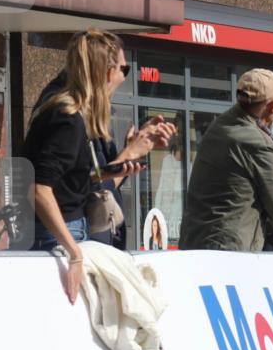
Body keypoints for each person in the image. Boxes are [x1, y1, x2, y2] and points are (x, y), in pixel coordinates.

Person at [21, 29, 175, 304]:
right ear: (106, 73)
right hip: (60, 235)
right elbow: (39, 189)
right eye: (123, 69)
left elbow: (67, 180)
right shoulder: (67, 117)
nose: (123, 77)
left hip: (63, 232)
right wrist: (74, 253)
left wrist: (113, 170)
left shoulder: (70, 113)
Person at [180, 68, 273, 266]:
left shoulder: (220, 126)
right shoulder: (258, 142)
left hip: (195, 247)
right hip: (228, 255)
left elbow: (247, 203)